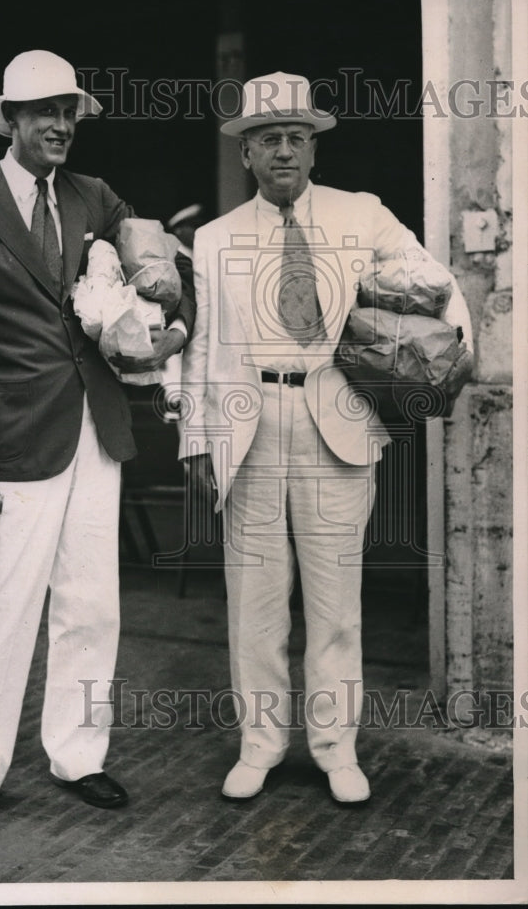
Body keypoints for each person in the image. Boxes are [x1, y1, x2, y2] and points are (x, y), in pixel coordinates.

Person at [0, 49, 195, 835]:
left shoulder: (94, 197)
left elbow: (161, 265)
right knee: (1, 613)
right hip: (9, 442)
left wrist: (172, 328)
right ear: (10, 120)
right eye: (46, 112)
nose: (62, 125)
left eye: (70, 112)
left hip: (96, 432)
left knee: (90, 606)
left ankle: (78, 755)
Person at [179, 71, 472, 805]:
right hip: (247, 424)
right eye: (268, 139)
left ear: (313, 148)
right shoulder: (214, 239)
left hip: (334, 421)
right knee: (255, 603)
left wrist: (443, 355)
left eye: (296, 137)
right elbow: (201, 348)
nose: (284, 151)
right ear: (245, 152)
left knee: (336, 605)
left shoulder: (360, 214)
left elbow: (435, 283)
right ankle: (260, 746)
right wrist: (196, 438)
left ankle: (336, 750)